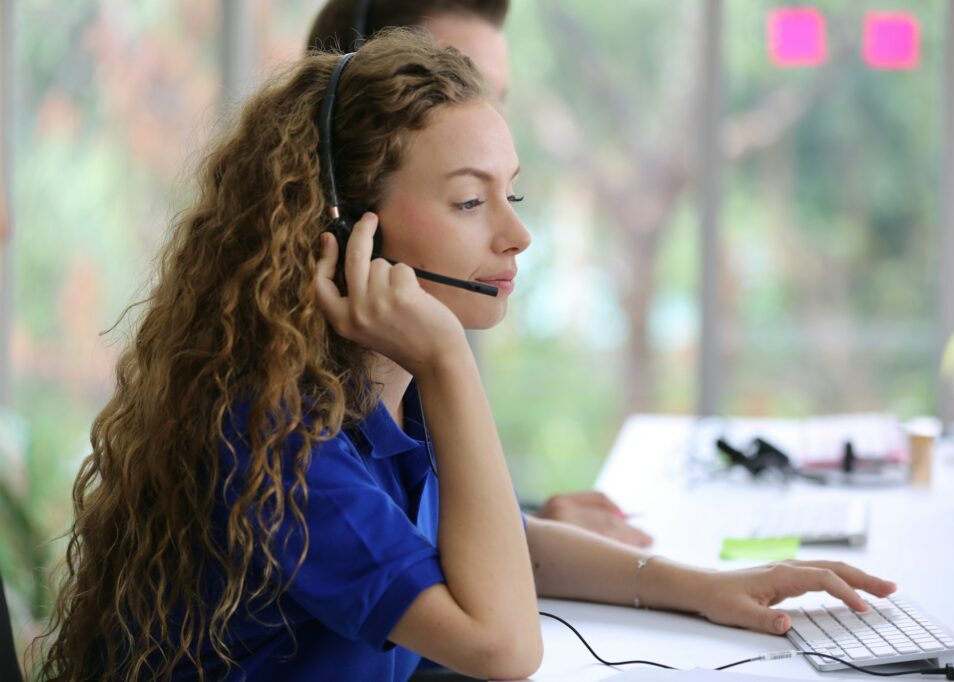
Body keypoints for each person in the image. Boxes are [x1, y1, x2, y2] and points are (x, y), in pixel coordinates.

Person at [36, 30, 896, 682]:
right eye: (468, 201)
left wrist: (700, 586)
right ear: (345, 231)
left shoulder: (374, 393)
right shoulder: (277, 443)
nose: (516, 235)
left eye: (509, 193)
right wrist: (448, 358)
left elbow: (486, 542)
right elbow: (500, 645)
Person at [307, 0, 656, 549]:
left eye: (496, 97)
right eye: (441, 81)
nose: (479, 118)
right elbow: (497, 634)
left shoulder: (408, 384)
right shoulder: (296, 444)